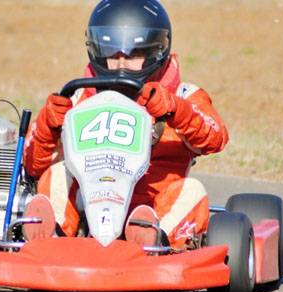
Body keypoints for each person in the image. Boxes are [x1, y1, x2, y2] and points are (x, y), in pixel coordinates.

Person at [22, 0, 228, 250]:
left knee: (192, 190)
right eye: (112, 52)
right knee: (56, 173)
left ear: (155, 50)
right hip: (91, 201)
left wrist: (175, 110)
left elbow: (216, 137)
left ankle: (154, 238)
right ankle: (51, 237)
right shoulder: (78, 97)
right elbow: (32, 166)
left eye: (132, 54)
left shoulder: (183, 95)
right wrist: (47, 127)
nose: (120, 64)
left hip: (154, 205)